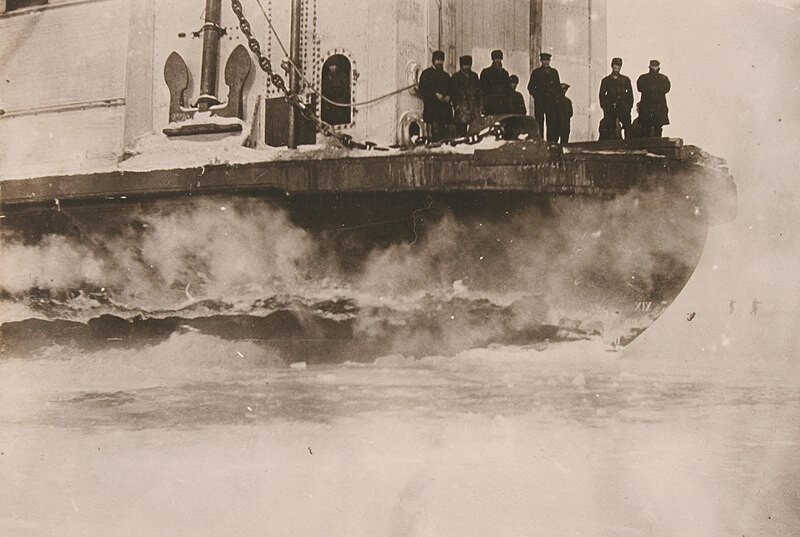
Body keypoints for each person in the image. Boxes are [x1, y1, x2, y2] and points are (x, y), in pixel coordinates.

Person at [418, 50, 453, 142]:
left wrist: (449, 96)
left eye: (441, 60)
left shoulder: (446, 76)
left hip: (444, 110)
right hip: (432, 109)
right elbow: (422, 89)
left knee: (444, 134)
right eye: (437, 60)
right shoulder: (426, 74)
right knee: (434, 134)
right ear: (433, 61)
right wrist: (435, 94)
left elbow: (451, 89)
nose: (439, 62)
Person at [527, 52, 562, 142]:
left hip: (551, 103)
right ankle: (540, 142)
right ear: (541, 61)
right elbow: (530, 87)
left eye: (547, 60)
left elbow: (558, 88)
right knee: (539, 123)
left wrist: (556, 99)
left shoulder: (554, 73)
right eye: (544, 60)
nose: (546, 62)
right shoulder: (536, 73)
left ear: (549, 61)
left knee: (551, 124)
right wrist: (537, 96)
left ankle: (551, 142)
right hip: (540, 103)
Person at [598, 57, 633, 140]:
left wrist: (629, 106)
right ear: (612, 66)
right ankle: (612, 143)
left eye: (618, 67)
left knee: (627, 126)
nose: (616, 69)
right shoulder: (606, 80)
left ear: (621, 67)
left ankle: (627, 143)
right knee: (610, 127)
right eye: (615, 67)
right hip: (610, 107)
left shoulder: (625, 80)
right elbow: (601, 95)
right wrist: (605, 107)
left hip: (623, 107)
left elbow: (630, 94)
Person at [637, 59, 671, 137]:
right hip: (647, 106)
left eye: (656, 66)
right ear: (650, 66)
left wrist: (652, 88)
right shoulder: (643, 78)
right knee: (645, 127)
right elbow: (640, 87)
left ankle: (657, 146)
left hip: (658, 107)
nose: (654, 68)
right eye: (653, 66)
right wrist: (656, 88)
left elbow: (666, 88)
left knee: (658, 127)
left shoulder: (663, 78)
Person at [451, 55, 482, 136]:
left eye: (468, 65)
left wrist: (479, 106)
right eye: (465, 65)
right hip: (462, 108)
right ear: (461, 66)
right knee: (461, 131)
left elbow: (479, 92)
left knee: (475, 130)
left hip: (473, 107)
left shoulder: (474, 76)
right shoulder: (456, 77)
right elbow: (453, 93)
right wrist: (457, 106)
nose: (467, 67)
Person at [480, 49, 511, 116]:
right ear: (492, 59)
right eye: (495, 58)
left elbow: (508, 90)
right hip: (490, 104)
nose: (497, 60)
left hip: (503, 105)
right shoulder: (486, 72)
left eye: (499, 58)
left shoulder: (505, 73)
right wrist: (483, 105)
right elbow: (482, 89)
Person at [321, 60, 351, 125]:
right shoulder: (326, 79)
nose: (333, 67)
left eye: (334, 65)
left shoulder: (343, 77)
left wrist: (341, 101)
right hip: (329, 106)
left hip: (340, 106)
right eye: (331, 66)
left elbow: (346, 91)